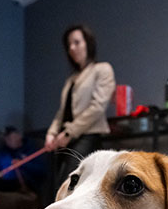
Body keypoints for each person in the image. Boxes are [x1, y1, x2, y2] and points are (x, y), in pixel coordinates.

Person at [45, 24, 115, 193]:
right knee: (56, 185)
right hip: (64, 138)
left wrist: (70, 132)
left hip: (87, 136)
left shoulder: (102, 69)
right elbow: (62, 112)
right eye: (69, 45)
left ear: (88, 43)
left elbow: (97, 107)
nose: (72, 48)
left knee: (69, 185)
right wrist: (51, 133)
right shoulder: (71, 80)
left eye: (76, 42)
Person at [0, 125, 48, 194]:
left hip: (26, 186)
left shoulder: (31, 149)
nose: (8, 142)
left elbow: (42, 170)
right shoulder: (3, 152)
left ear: (19, 136)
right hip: (4, 184)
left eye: (10, 138)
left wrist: (22, 164)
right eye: (5, 139)